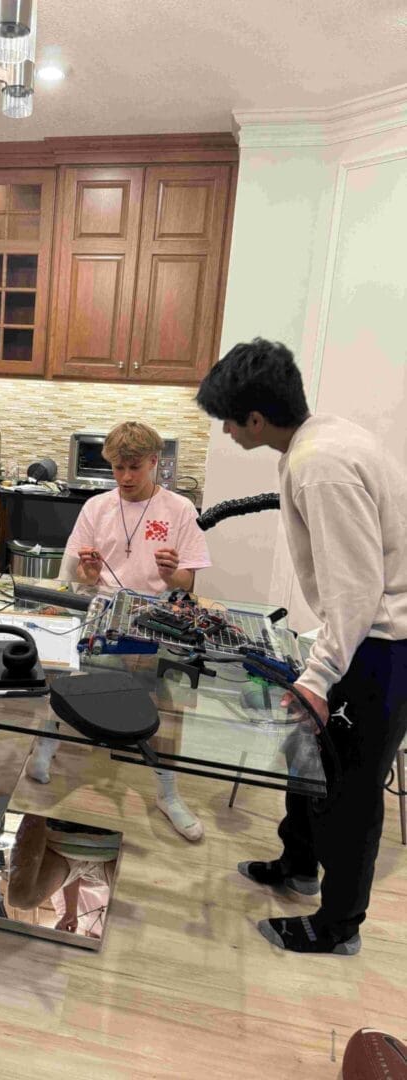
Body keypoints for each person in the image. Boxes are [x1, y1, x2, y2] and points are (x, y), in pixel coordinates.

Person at [196, 337, 407, 954]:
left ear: (256, 419)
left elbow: (356, 587)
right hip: (361, 632)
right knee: (306, 754)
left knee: (350, 788)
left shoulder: (321, 466)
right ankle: (297, 866)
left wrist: (317, 677)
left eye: (230, 421)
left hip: (381, 645)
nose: (228, 432)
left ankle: (337, 927)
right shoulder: (320, 438)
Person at [26, 421, 212, 843]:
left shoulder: (180, 510)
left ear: (154, 462)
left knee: (167, 705)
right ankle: (45, 748)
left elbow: (190, 584)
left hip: (157, 616)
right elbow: (71, 575)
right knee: (61, 673)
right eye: (117, 469)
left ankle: (168, 792)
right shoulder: (96, 507)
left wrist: (173, 572)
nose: (125, 478)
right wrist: (87, 573)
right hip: (103, 607)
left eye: (133, 468)